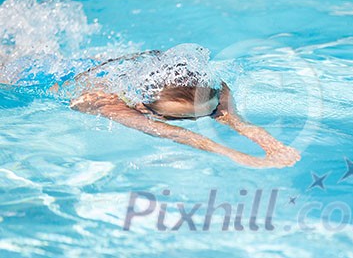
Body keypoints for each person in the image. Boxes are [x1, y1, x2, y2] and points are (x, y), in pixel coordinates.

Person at [52, 47, 301, 168]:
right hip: (57, 77)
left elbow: (237, 120)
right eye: (177, 117)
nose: (196, 122)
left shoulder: (214, 91)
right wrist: (241, 157)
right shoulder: (111, 103)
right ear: (145, 108)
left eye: (208, 113)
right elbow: (176, 133)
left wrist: (274, 147)